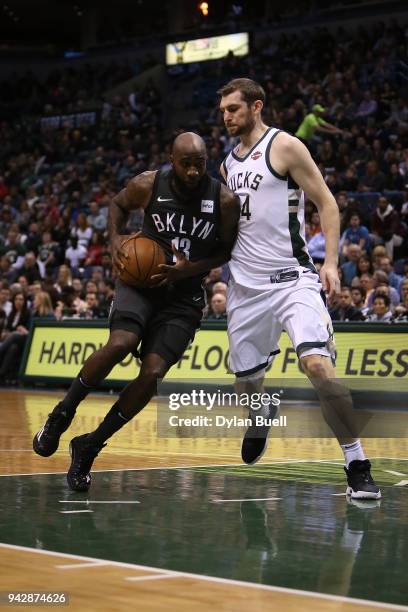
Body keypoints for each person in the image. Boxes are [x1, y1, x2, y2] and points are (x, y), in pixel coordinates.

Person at [33, 132, 240, 492]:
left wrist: (187, 270)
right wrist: (114, 238)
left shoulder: (223, 200)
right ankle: (61, 413)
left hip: (184, 297)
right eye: (186, 163)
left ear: (206, 162)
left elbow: (225, 252)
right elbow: (117, 204)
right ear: (172, 160)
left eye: (200, 163)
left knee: (153, 373)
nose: (193, 171)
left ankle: (90, 444)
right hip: (140, 284)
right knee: (121, 343)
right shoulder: (149, 183)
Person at [218, 78, 380, 499]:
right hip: (245, 291)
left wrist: (330, 260)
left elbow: (326, 202)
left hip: (293, 280)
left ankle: (357, 463)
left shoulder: (285, 147)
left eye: (233, 109)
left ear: (256, 106)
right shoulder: (225, 167)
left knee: (316, 365)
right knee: (247, 383)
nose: (226, 116)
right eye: (222, 111)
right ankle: (261, 413)